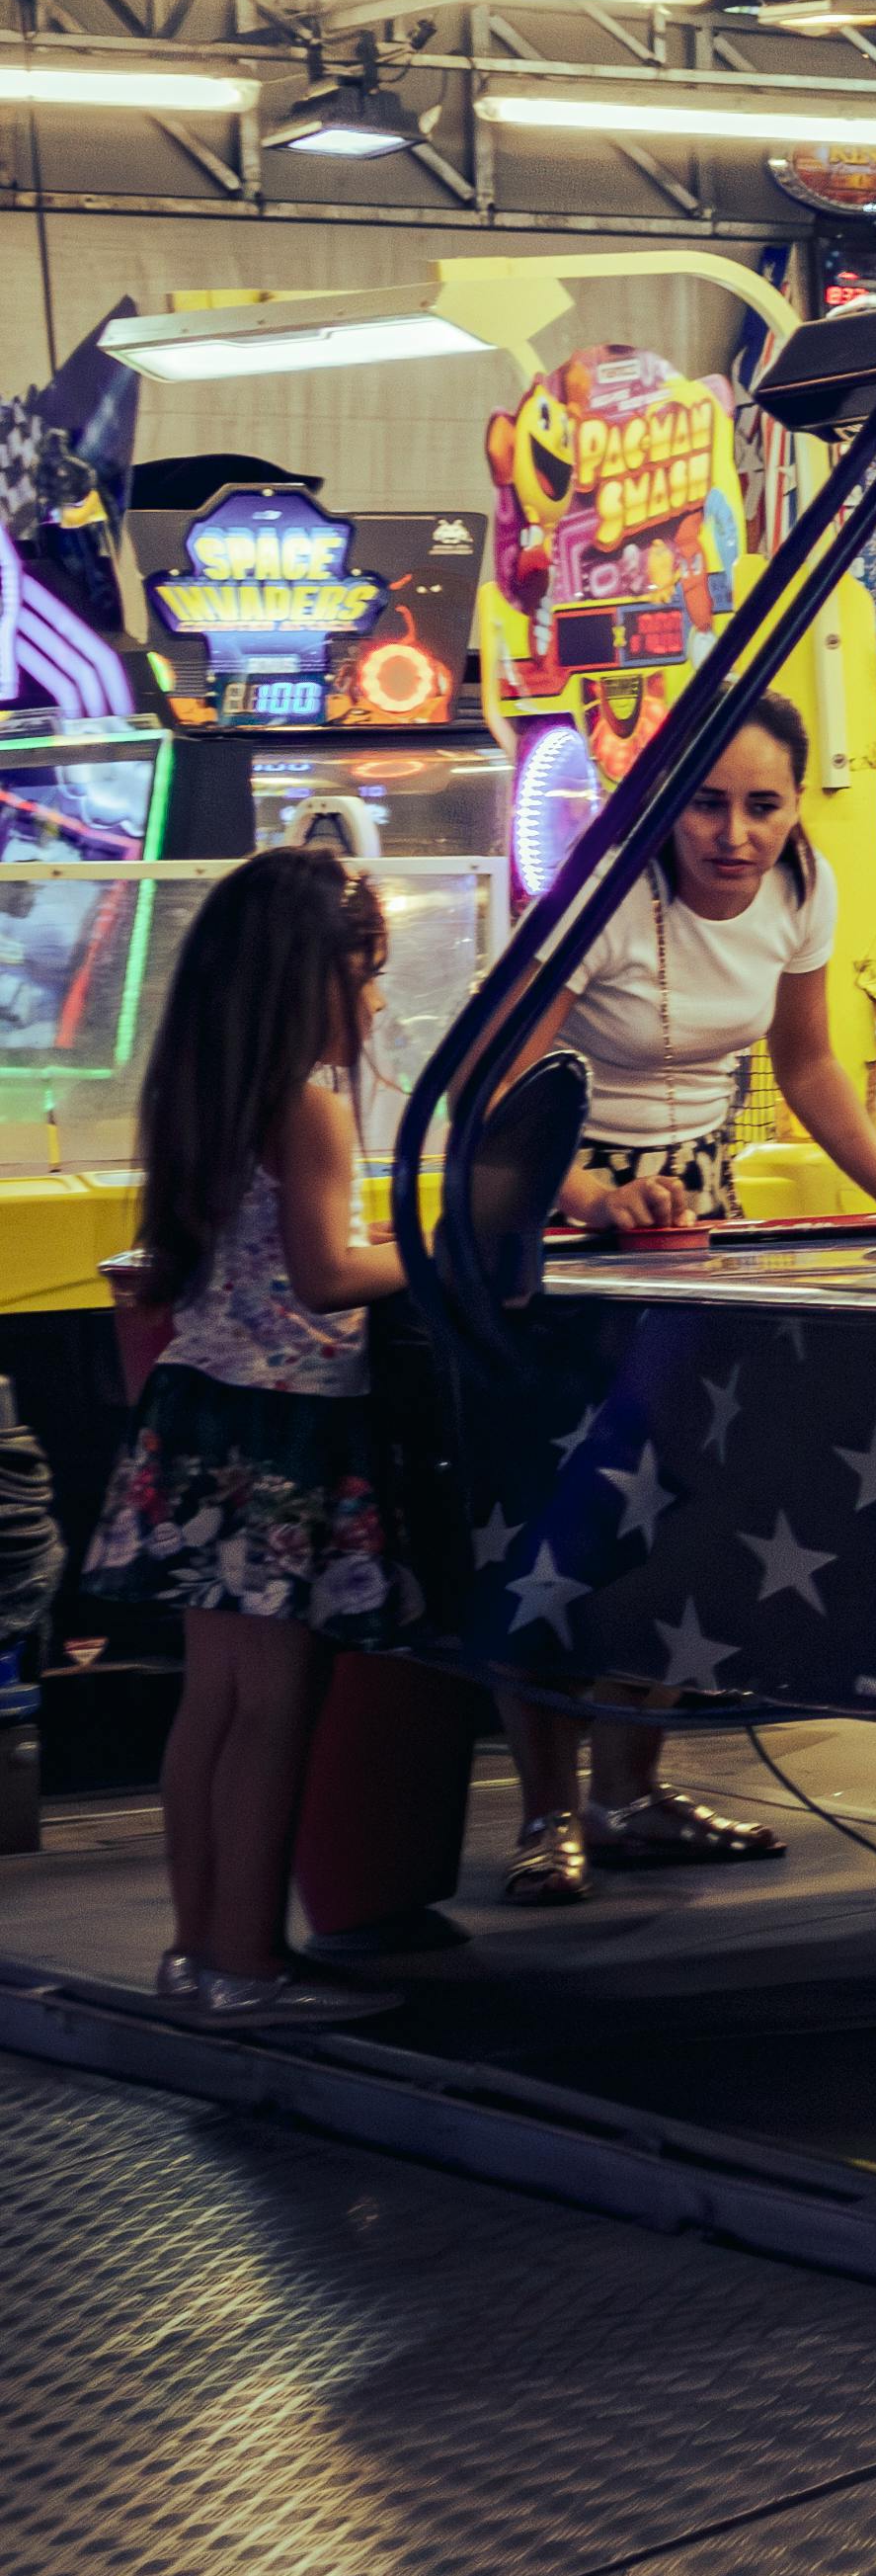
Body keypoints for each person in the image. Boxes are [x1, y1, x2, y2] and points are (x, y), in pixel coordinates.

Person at [497, 690, 876, 1904]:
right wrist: (584, 1193)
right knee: (563, 1516)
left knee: (688, 1508)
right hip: (569, 1214)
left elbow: (805, 1063)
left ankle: (628, 1792)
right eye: (705, 802)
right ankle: (545, 1815)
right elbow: (494, 1091)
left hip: (696, 1215)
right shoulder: (599, 897)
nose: (733, 831)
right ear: (662, 800)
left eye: (761, 803)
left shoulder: (802, 885)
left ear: (795, 805)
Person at [87, 847, 417, 2024]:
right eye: (366, 973)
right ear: (309, 974)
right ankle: (248, 1964)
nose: (375, 1000)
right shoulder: (310, 1108)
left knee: (211, 1701)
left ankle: (196, 1949)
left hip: (196, 1414)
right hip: (283, 1434)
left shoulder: (203, 1095)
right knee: (274, 1703)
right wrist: (440, 1250)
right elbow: (330, 1276)